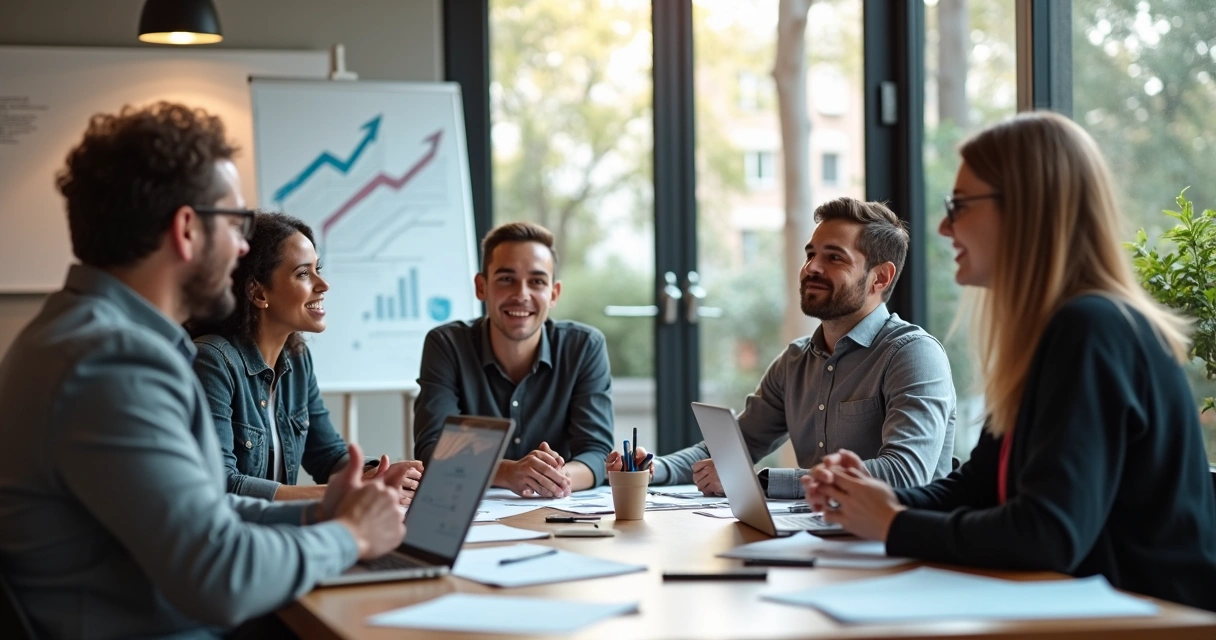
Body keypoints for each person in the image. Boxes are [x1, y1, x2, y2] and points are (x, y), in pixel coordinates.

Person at [0, 102, 409, 638]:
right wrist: (352, 536)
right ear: (187, 229)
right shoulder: (112, 363)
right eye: (236, 222)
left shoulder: (91, 336)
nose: (243, 246)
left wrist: (320, 513)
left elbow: (207, 510)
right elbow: (221, 575)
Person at [803, 112, 1216, 612]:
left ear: (1025, 209)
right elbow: (978, 485)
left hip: (1151, 623)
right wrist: (870, 500)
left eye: (959, 206)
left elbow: (1048, 534)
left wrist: (893, 524)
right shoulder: (1053, 332)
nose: (943, 226)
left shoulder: (1091, 328)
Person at [608, 197, 956, 499]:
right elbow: (733, 450)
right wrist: (653, 467)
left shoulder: (913, 355)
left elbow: (905, 474)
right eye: (811, 254)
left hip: (898, 548)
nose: (811, 268)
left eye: (834, 258)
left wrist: (761, 482)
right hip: (820, 537)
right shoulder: (794, 362)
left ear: (880, 278)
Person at [190, 212, 423, 504]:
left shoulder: (297, 360)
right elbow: (222, 485)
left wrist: (378, 476)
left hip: (277, 533)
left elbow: (328, 457)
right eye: (303, 273)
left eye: (317, 269)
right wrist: (350, 492)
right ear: (258, 291)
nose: (323, 285)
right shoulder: (212, 361)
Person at [414, 221, 614, 498]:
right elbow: (433, 450)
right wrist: (508, 473)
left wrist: (551, 478)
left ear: (553, 293)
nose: (521, 294)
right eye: (506, 279)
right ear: (481, 287)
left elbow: (597, 453)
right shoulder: (447, 345)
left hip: (558, 509)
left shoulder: (584, 347)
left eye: (537, 281)